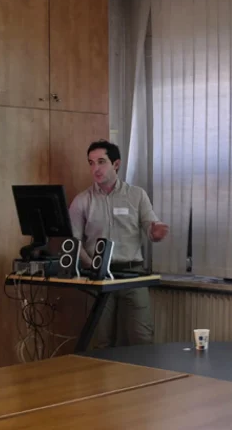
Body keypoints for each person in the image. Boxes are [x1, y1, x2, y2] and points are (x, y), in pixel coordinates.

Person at [69, 139, 169, 348]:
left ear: (116, 164)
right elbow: (73, 241)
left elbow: (150, 225)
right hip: (99, 276)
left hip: (132, 274)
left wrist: (156, 232)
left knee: (142, 337)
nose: (95, 169)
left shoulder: (136, 195)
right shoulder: (82, 200)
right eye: (91, 163)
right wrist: (91, 265)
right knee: (101, 340)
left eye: (101, 162)